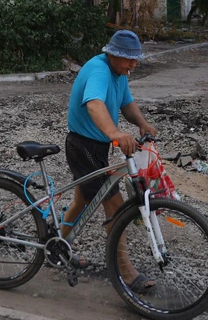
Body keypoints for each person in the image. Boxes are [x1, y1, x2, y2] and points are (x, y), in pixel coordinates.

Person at [61, 30, 158, 293]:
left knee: (82, 199)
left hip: (95, 146)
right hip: (84, 145)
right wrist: (115, 133)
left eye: (135, 59)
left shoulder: (119, 74)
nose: (133, 65)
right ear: (113, 54)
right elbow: (94, 104)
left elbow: (127, 105)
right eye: (129, 59)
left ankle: (58, 246)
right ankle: (125, 272)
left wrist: (142, 123)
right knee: (114, 204)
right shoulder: (99, 71)